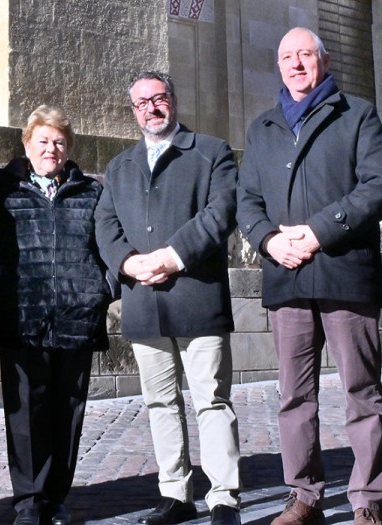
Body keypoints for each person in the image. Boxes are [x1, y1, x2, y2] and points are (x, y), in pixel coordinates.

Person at [237, 27, 382, 525]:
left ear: (324, 61)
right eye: (287, 56)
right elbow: (247, 201)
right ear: (279, 66)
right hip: (287, 280)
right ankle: (304, 496)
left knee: (361, 391)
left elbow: (381, 186)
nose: (296, 64)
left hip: (344, 274)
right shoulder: (262, 127)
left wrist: (318, 232)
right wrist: (268, 239)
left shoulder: (357, 115)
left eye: (305, 54)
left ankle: (368, 500)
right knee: (293, 396)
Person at [94, 71, 241, 525]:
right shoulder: (120, 166)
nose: (151, 108)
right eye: (142, 102)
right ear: (134, 111)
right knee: (160, 402)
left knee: (211, 401)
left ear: (173, 101)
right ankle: (176, 493)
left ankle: (224, 498)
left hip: (197, 297)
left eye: (159, 98)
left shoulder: (211, 152)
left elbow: (221, 213)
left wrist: (174, 256)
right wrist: (128, 262)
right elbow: (105, 223)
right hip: (143, 300)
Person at [0, 106, 114, 525]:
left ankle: (57, 497)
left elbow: (108, 247)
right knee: (25, 414)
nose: (51, 149)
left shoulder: (90, 193)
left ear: (68, 148)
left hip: (77, 318)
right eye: (43, 141)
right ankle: (28, 500)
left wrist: (102, 291)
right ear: (27, 144)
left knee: (67, 410)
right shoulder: (2, 191)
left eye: (58, 142)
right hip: (21, 318)